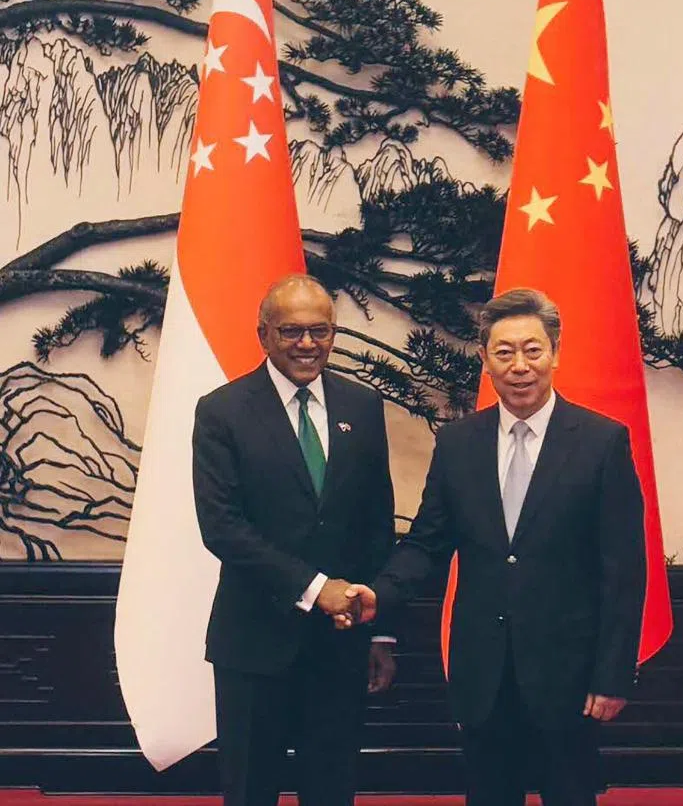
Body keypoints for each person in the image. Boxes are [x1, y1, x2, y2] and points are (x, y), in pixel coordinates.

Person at [338, 288, 647, 806]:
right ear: (485, 361)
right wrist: (379, 594)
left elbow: (623, 570)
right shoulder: (459, 443)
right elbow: (426, 545)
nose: (520, 366)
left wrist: (612, 675)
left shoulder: (601, 443)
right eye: (504, 352)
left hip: (568, 677)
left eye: (532, 350)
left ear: (555, 353)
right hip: (483, 675)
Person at [192, 274, 397, 806]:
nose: (308, 345)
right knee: (250, 790)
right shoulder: (222, 411)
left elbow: (376, 523)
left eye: (320, 331)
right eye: (292, 331)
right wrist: (314, 588)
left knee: (332, 789)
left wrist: (380, 634)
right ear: (263, 335)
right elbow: (222, 526)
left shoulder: (362, 406)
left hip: (340, 644)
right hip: (255, 643)